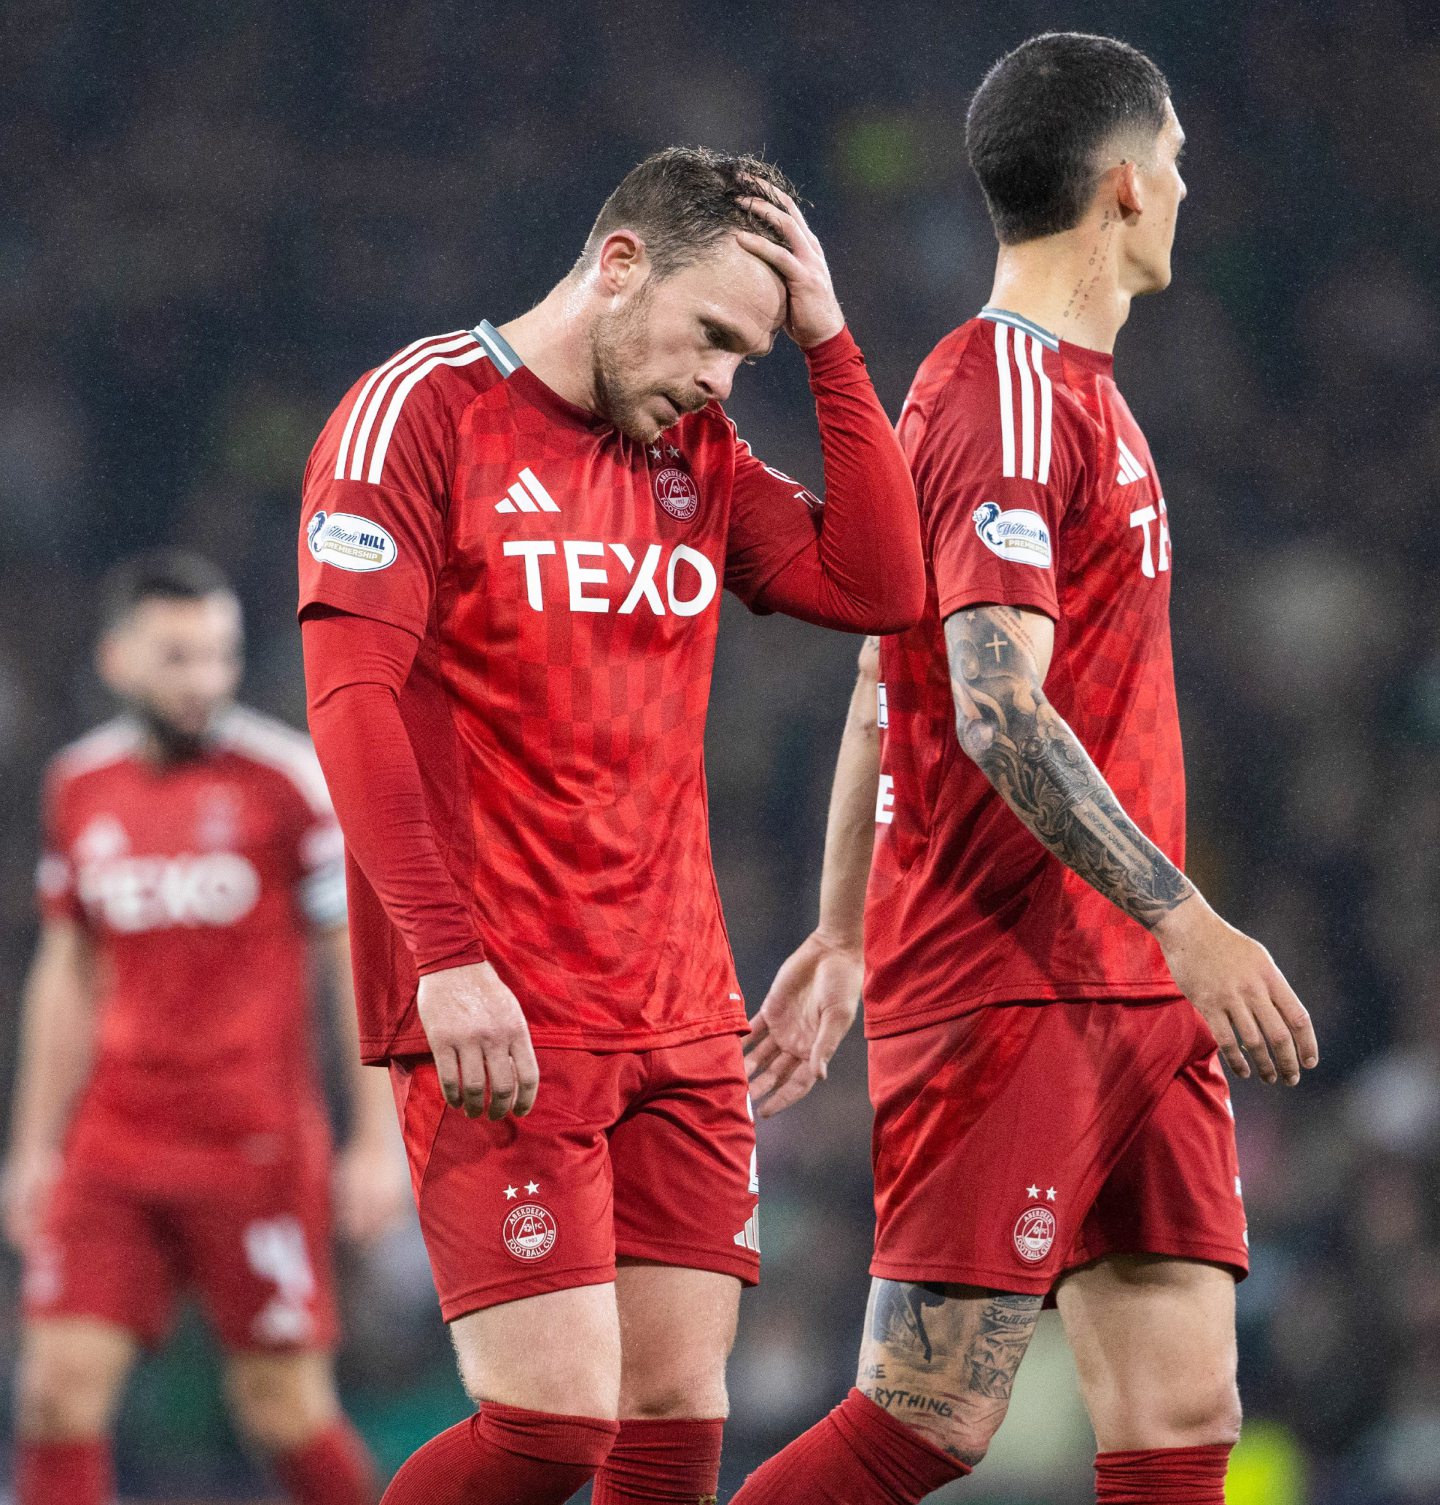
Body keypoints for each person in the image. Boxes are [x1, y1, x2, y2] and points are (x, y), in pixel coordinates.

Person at [736, 33, 1319, 1505]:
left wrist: (837, 929)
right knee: (929, 1418)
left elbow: (888, 670)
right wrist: (1189, 915)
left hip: (1129, 990)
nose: (1188, 183)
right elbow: (992, 714)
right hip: (1017, 978)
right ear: (1124, 184)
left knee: (1187, 1408)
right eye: (1175, 158)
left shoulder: (1088, 395)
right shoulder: (995, 390)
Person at [296, 146, 925, 1505]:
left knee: (672, 1418)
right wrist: (447, 957)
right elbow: (349, 703)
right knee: (547, 1430)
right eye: (714, 335)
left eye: (750, 355)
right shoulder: (420, 413)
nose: (719, 378)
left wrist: (828, 340)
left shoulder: (695, 446)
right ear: (620, 263)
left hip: (683, 1007)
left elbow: (883, 583)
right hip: (502, 1003)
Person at [4, 550, 407, 1505]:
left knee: (283, 1407)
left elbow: (351, 957)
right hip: (115, 1142)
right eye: (178, 657)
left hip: (253, 1141)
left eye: (219, 657)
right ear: (117, 659)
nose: (203, 681)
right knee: (55, 1396)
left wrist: (376, 1140)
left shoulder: (286, 781)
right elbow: (67, 969)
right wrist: (31, 1147)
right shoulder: (79, 786)